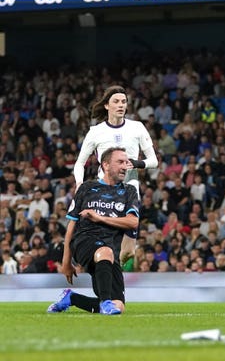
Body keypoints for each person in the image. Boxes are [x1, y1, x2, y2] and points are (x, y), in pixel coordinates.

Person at [47, 147, 140, 315]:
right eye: (120, 162)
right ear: (105, 165)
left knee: (118, 305)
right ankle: (105, 303)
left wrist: (100, 218)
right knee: (104, 251)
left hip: (110, 252)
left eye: (126, 162)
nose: (125, 166)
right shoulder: (87, 188)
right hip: (84, 241)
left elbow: (133, 222)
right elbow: (71, 225)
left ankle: (71, 298)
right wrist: (66, 262)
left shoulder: (129, 191)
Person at [73, 85, 157, 264]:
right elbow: (80, 163)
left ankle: (112, 281)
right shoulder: (96, 131)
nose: (121, 105)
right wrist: (79, 183)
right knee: (105, 247)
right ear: (106, 106)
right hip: (104, 190)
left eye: (124, 102)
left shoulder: (137, 127)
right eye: (116, 101)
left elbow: (154, 161)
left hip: (129, 190)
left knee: (128, 253)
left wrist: (135, 163)